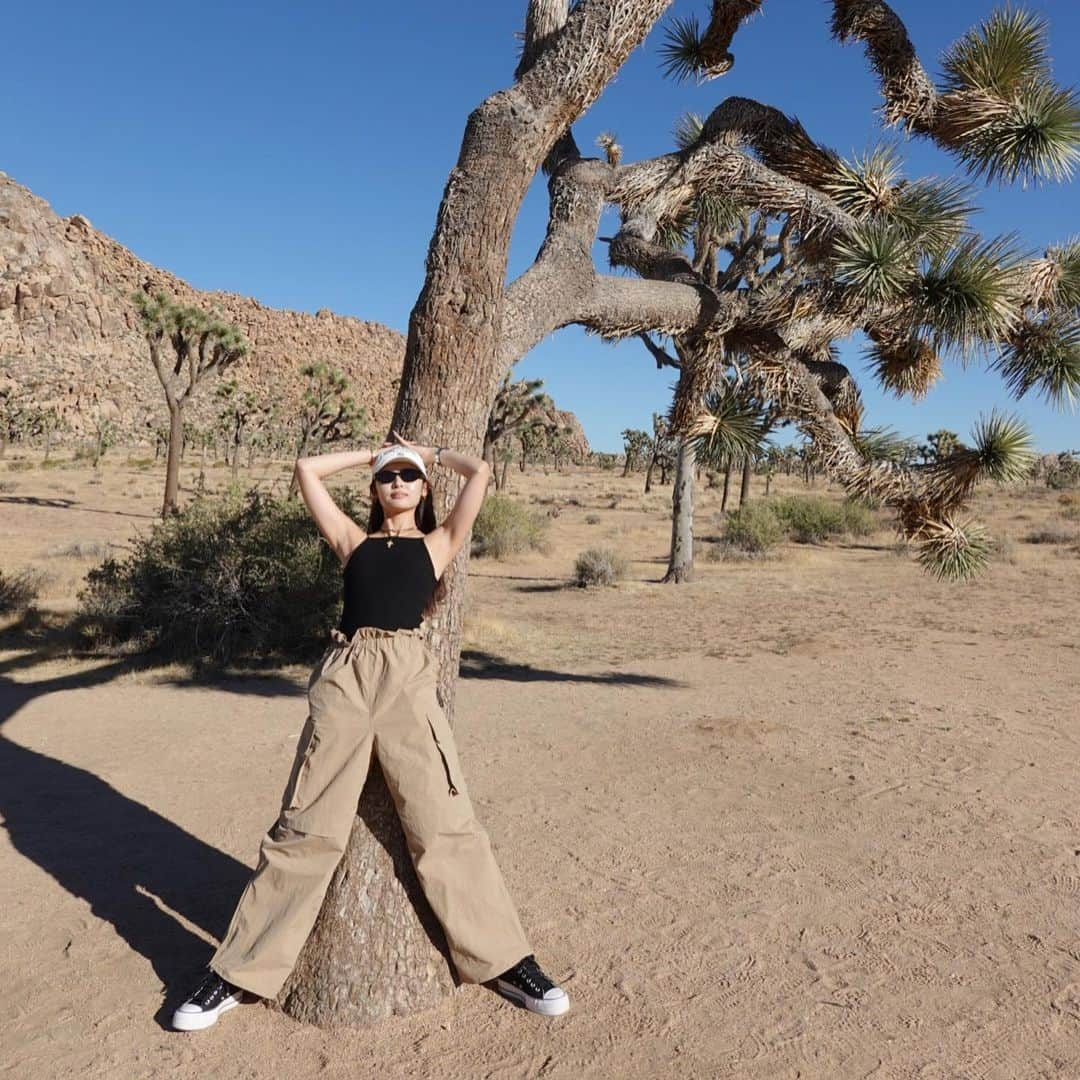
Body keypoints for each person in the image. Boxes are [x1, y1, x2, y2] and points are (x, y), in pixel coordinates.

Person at [171, 431, 569, 1030]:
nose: (399, 484)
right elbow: (306, 468)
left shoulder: (438, 545)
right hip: (347, 678)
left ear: (426, 487)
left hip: (408, 677)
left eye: (408, 477)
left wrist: (428, 454)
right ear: (375, 490)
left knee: (445, 824)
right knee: (307, 827)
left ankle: (507, 961)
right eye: (389, 477)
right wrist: (373, 454)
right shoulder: (351, 541)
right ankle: (235, 972)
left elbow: (481, 472)